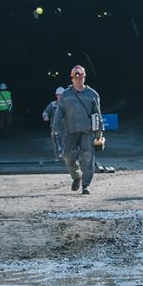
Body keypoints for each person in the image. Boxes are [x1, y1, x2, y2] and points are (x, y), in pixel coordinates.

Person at [53, 65, 104, 194]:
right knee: (67, 156)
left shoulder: (92, 94)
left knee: (87, 157)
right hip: (70, 130)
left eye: (81, 77)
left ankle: (85, 185)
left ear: (84, 77)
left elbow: (97, 113)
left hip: (87, 131)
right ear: (72, 78)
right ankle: (76, 176)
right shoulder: (66, 95)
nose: (79, 79)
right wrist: (55, 127)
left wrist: (99, 131)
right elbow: (59, 111)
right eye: (76, 77)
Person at [43, 87, 64, 159]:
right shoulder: (52, 104)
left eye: (61, 95)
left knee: (65, 143)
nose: (59, 96)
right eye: (58, 95)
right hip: (55, 128)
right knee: (56, 144)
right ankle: (56, 157)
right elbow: (45, 112)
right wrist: (45, 116)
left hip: (65, 128)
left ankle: (65, 158)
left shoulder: (68, 105)